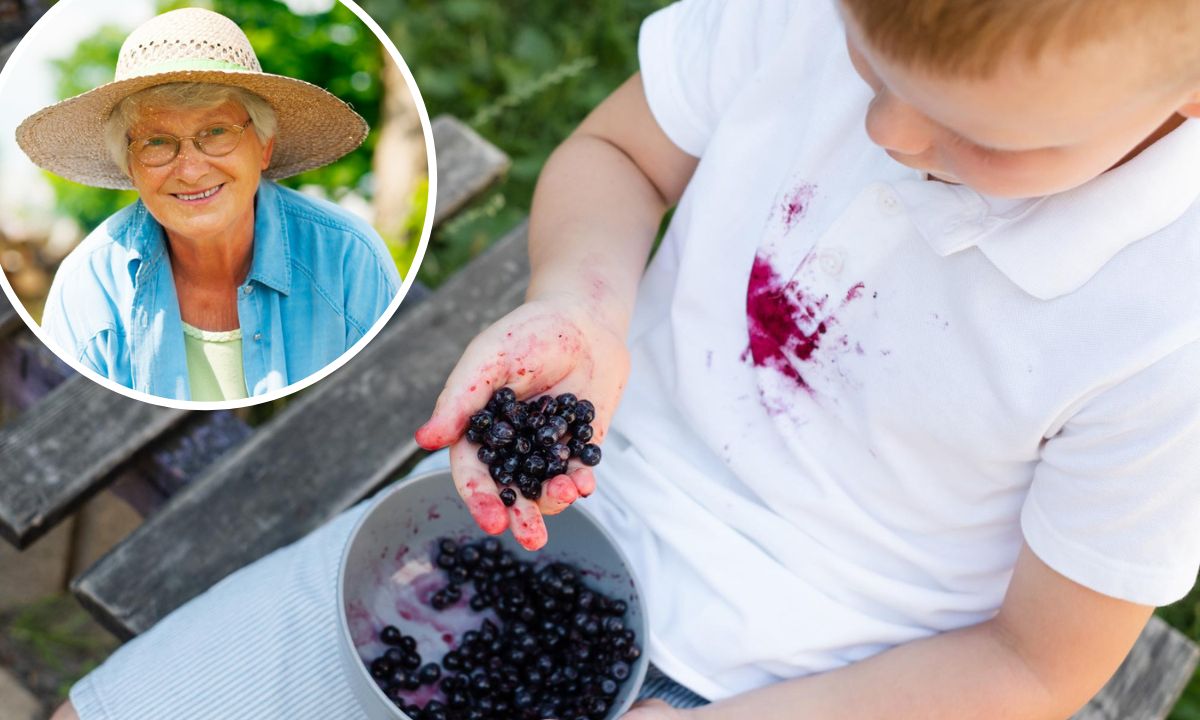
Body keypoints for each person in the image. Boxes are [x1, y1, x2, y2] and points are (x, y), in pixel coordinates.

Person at [55, 0, 1200, 717]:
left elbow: (1033, 666)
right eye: (867, 66)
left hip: (807, 685)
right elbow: (618, 151)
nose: (890, 138)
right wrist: (585, 306)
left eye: (981, 135)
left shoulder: (1171, 330)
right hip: (516, 520)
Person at [17, 8, 401, 401]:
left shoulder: (347, 258)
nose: (191, 169)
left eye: (217, 132)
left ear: (264, 148)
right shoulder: (89, 286)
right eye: (157, 142)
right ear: (130, 167)